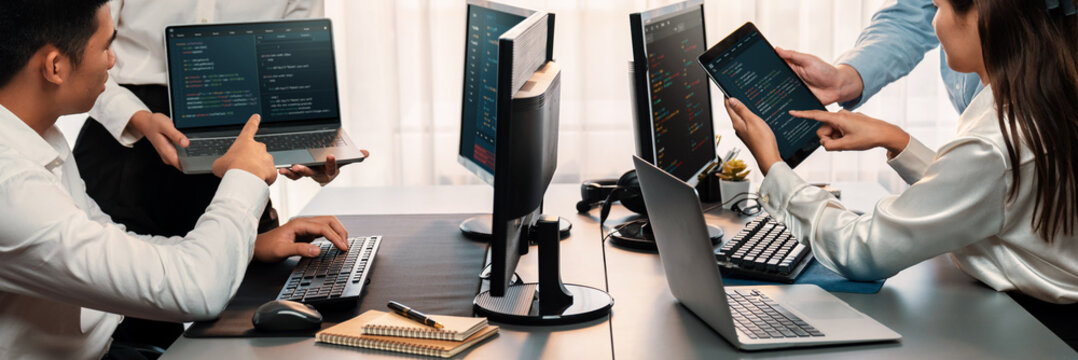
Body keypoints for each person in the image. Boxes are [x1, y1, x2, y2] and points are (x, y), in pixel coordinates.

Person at [0, 1, 346, 358]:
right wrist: (244, 176)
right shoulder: (12, 188)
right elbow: (197, 290)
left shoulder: (42, 140)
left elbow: (117, 247)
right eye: (106, 46)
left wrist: (250, 248)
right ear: (55, 66)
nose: (113, 61)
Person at [725, 0, 1078, 316]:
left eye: (937, 7)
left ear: (983, 15)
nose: (932, 22)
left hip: (1038, 324)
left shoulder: (992, 143)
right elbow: (984, 192)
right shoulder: (1041, 103)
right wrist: (897, 139)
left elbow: (862, 250)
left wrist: (774, 167)